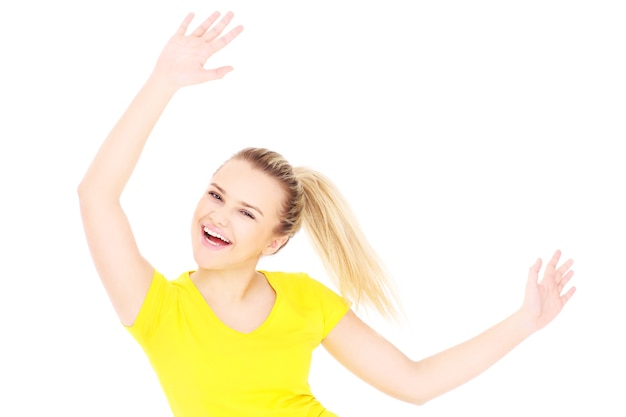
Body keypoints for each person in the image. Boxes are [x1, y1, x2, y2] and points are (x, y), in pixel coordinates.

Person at [77, 11, 576, 417]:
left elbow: (414, 383)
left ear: (274, 240)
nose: (218, 216)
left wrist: (526, 321)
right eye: (215, 194)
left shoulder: (304, 299)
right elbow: (96, 195)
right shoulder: (158, 307)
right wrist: (163, 82)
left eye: (247, 212)